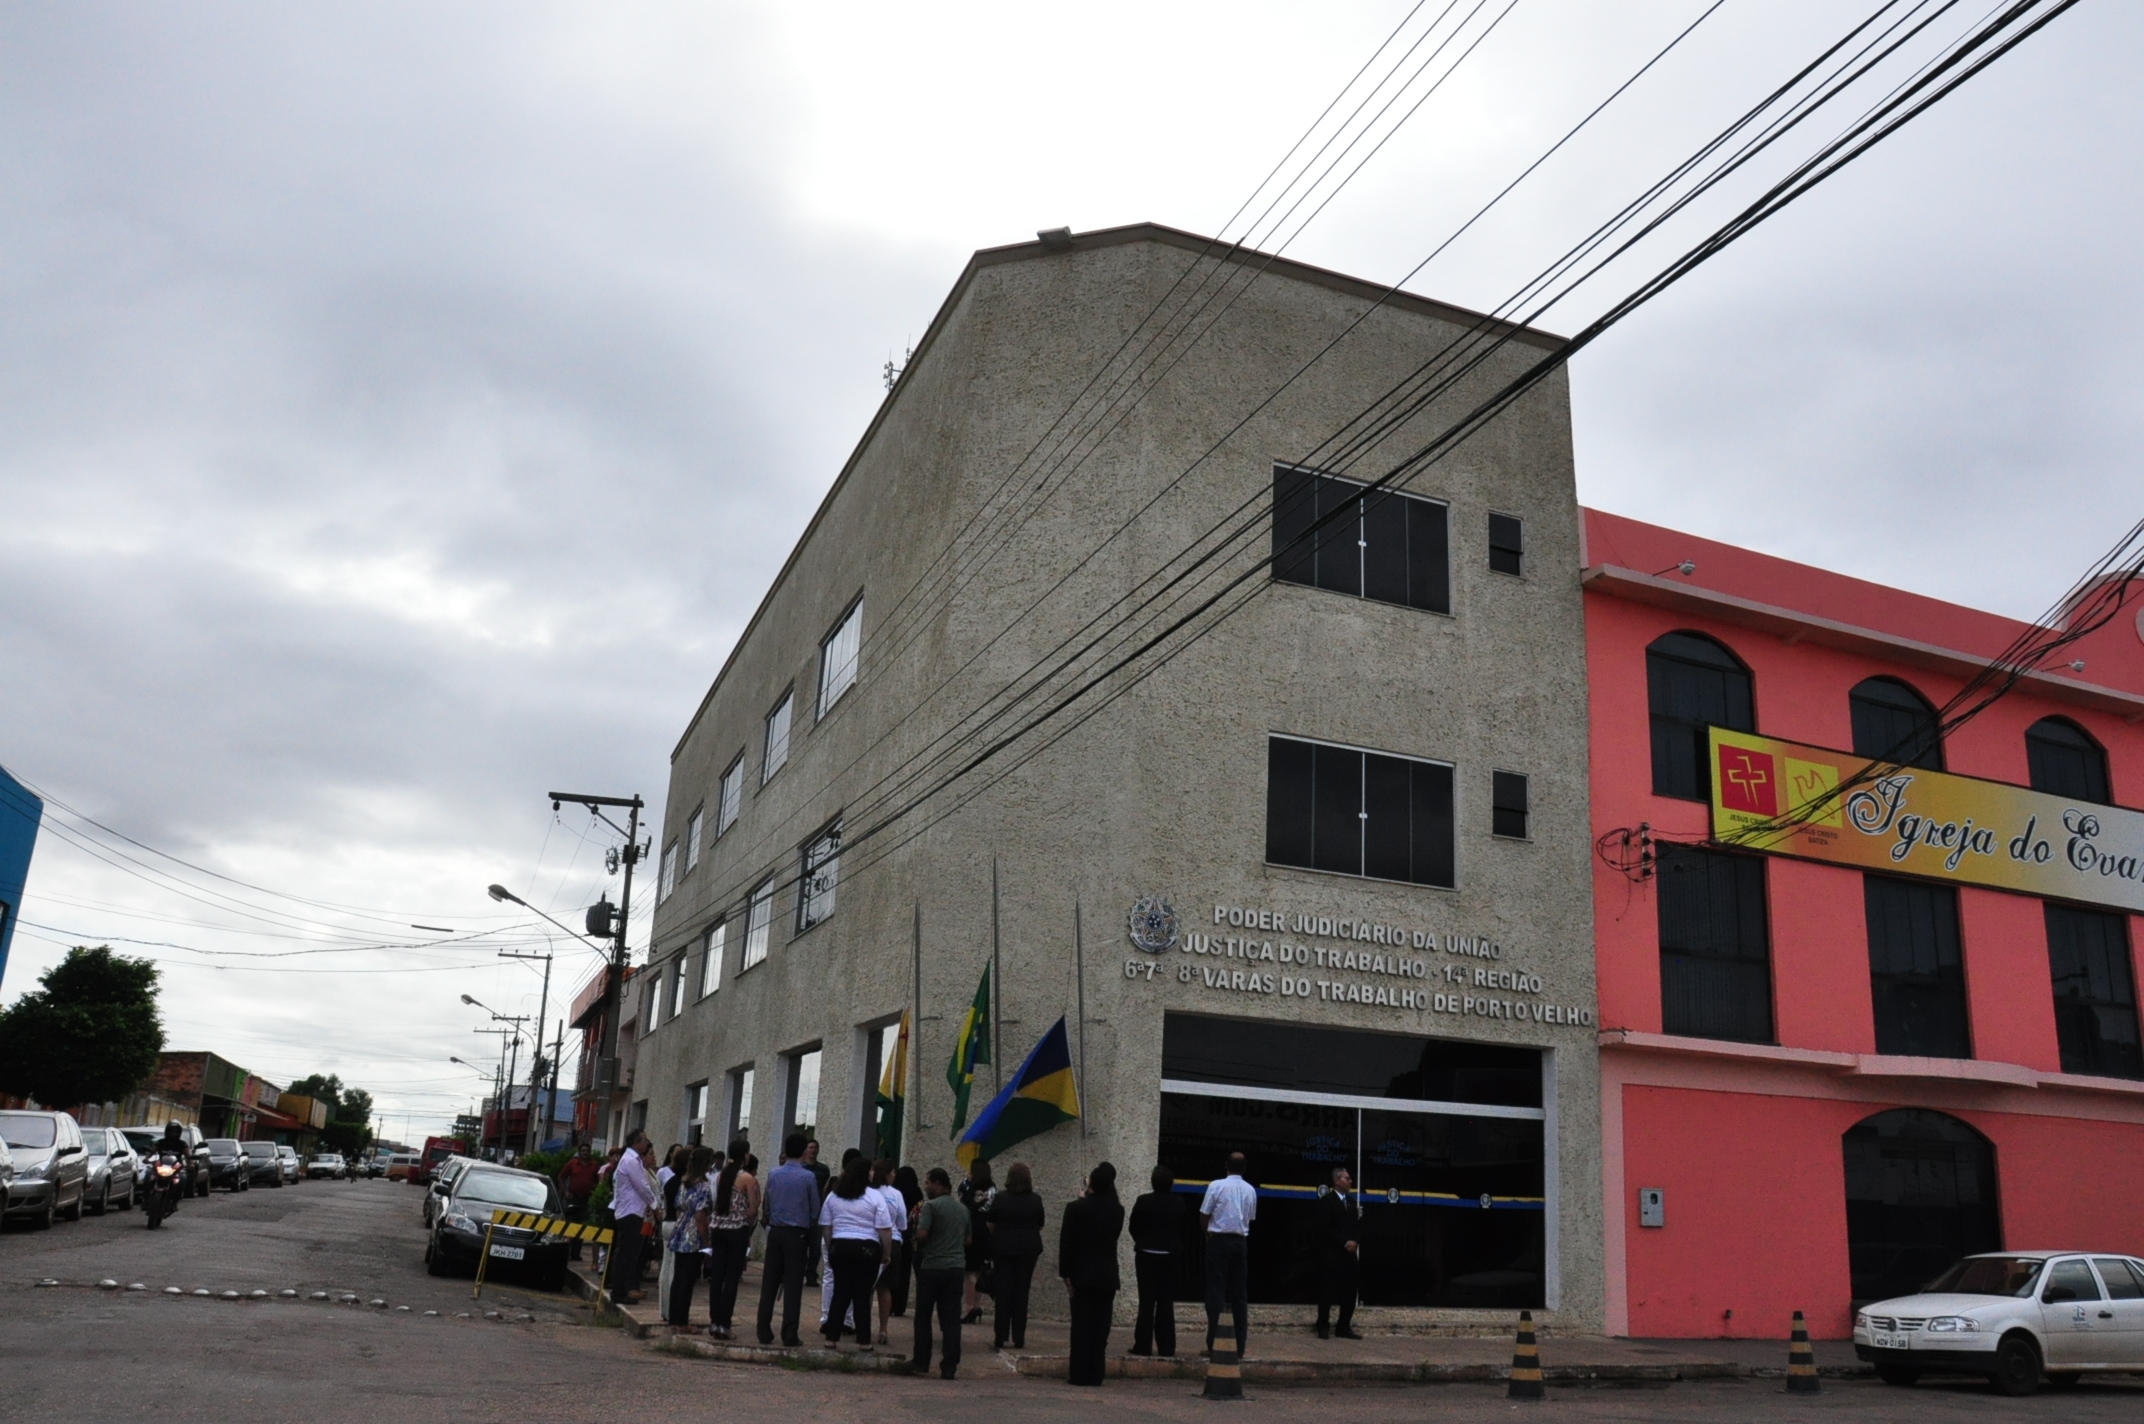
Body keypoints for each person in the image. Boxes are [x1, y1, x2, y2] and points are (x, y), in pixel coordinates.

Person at [1057, 1162, 1125, 1386]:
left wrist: (1065, 1273)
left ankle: (1079, 1373)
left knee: (1081, 1327)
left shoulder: (1076, 1208)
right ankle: (1096, 1372)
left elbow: (1067, 1242)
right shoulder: (1117, 1210)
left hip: (1081, 1274)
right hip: (1106, 1275)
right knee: (1100, 1327)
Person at [818, 1156, 892, 1350]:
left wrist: (830, 1246)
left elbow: (826, 1225)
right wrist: (886, 1252)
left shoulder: (834, 1195)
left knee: (840, 1292)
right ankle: (864, 1341)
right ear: (864, 1173)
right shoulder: (874, 1196)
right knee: (862, 1294)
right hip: (867, 1249)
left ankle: (831, 1338)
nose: (873, 1173)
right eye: (870, 1170)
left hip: (840, 1246)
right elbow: (884, 1228)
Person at [756, 1132, 820, 1346]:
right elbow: (814, 1210)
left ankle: (763, 1330)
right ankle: (789, 1333)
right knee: (793, 1286)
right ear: (804, 1152)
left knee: (770, 1283)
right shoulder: (808, 1177)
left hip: (776, 1231)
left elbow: (767, 1202)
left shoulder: (774, 1174)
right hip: (797, 1234)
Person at [907, 1166, 969, 1379]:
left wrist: (916, 1237)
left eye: (927, 1183)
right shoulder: (963, 1209)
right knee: (951, 1318)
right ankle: (950, 1365)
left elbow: (922, 1234)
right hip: (956, 1267)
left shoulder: (930, 1207)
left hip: (933, 1266)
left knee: (923, 1315)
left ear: (937, 1183)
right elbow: (968, 1240)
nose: (925, 1187)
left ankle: (921, 1361)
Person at [1200, 1151, 1256, 1358]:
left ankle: (1214, 1342)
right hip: (1239, 1241)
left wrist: (1208, 1233)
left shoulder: (1216, 1186)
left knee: (1216, 1291)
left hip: (1218, 1240)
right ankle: (1239, 1346)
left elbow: (1204, 1214)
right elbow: (1250, 1218)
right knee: (1239, 1295)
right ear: (1244, 1168)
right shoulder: (1250, 1190)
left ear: (1226, 1165)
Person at [986, 1161, 1045, 1351]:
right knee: (1022, 1291)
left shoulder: (1001, 1198)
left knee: (1003, 1292)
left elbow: (991, 1223)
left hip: (1003, 1249)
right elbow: (1040, 1224)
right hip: (1028, 1249)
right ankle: (1019, 1336)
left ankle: (1000, 1335)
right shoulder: (1035, 1199)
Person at [1128, 1164, 1185, 1357]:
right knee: (1166, 1301)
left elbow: (1133, 1226)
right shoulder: (1178, 1203)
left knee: (1146, 1301)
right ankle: (1167, 1346)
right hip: (1170, 1254)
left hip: (1146, 1253)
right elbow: (1183, 1228)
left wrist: (1142, 1241)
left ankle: (1143, 1345)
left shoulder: (1143, 1201)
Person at [703, 1137, 757, 1340]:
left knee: (717, 1275)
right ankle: (725, 1323)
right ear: (746, 1155)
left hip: (718, 1228)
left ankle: (714, 1321)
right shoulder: (747, 1179)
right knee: (732, 1277)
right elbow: (752, 1209)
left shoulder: (721, 1175)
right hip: (737, 1230)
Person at [666, 1146, 716, 1331]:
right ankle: (682, 1322)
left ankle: (674, 1319)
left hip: (680, 1230)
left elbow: (678, 1207)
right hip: (693, 1235)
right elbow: (701, 1218)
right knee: (688, 1279)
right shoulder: (703, 1187)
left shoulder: (684, 1183)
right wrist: (706, 1242)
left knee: (678, 1278)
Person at [607, 1132, 658, 1305]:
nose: (647, 1143)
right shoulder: (630, 1160)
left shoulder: (632, 1159)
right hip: (630, 1212)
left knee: (627, 1254)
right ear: (637, 1143)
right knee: (625, 1254)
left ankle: (621, 1290)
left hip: (634, 1210)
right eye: (644, 1140)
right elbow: (642, 1186)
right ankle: (619, 1291)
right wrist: (655, 1205)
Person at [1314, 1166, 1362, 1340]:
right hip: (1332, 1254)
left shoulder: (1351, 1203)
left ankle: (1343, 1327)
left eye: (1349, 1179)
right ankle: (1323, 1325)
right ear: (1336, 1181)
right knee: (1327, 1291)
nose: (1350, 1181)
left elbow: (1357, 1226)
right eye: (1346, 1178)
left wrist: (1355, 1241)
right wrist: (1344, 1242)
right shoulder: (1327, 1201)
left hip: (1349, 1256)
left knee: (1349, 1292)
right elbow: (1324, 1228)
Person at [869, 1158, 907, 1347]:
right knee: (885, 1289)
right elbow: (902, 1222)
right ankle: (883, 1329)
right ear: (886, 1173)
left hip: (870, 1240)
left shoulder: (867, 1193)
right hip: (892, 1241)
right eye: (892, 1172)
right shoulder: (896, 1194)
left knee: (866, 1287)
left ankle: (864, 1326)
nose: (894, 1175)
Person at [958, 1157, 996, 1323]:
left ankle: (969, 1307)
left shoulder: (967, 1187)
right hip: (986, 1231)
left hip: (971, 1229)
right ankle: (978, 1305)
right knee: (980, 1271)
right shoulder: (992, 1189)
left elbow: (963, 1202)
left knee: (969, 1272)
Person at [657, 1144, 688, 1320]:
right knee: (674, 1269)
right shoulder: (684, 1183)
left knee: (665, 1266)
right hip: (677, 1224)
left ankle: (664, 1310)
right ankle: (672, 1310)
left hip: (666, 1223)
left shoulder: (669, 1182)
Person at [889, 1165, 922, 1318]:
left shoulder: (895, 1193)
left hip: (895, 1233)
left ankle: (891, 1303)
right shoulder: (917, 1193)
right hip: (909, 1235)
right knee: (904, 1271)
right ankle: (900, 1305)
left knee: (891, 1271)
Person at [801, 1138, 830, 1286]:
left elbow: (825, 1189)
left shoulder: (823, 1169)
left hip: (818, 1211)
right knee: (801, 1245)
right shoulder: (801, 1168)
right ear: (806, 1150)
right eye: (810, 1147)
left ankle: (811, 1275)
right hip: (802, 1211)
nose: (813, 1150)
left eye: (815, 1148)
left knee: (815, 1246)